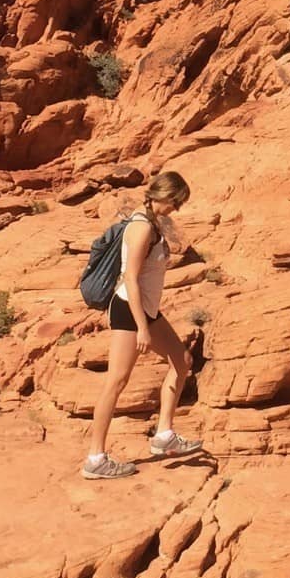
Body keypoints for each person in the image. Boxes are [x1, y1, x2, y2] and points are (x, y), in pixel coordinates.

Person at [83, 170, 203, 479]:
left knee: (182, 361)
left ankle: (164, 436)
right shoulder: (140, 228)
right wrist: (143, 327)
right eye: (175, 202)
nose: (176, 209)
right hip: (129, 311)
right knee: (117, 381)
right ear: (162, 196)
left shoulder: (152, 223)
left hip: (146, 310)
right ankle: (96, 458)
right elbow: (131, 280)